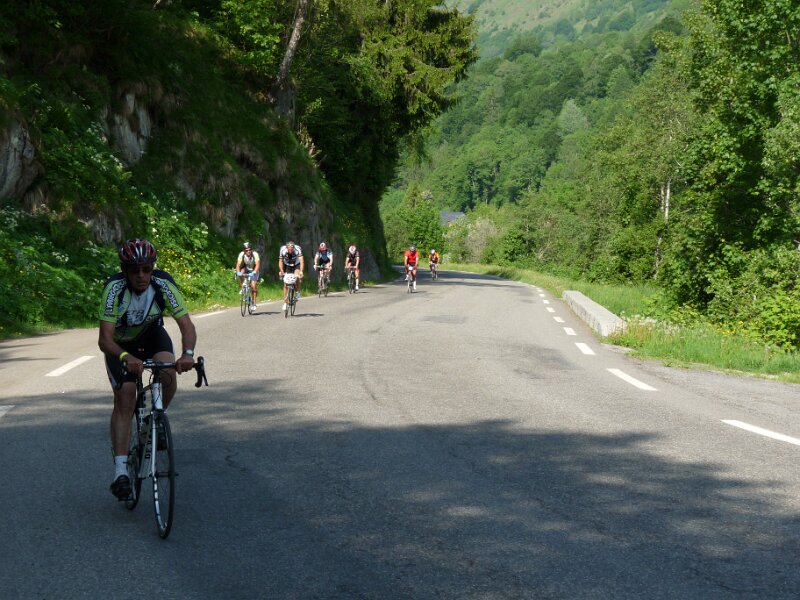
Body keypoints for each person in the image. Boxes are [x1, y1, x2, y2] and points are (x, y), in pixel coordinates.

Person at [98, 239, 197, 500]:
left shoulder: (163, 283)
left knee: (168, 372)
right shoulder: (114, 289)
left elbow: (187, 325)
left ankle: (156, 420)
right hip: (120, 345)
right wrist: (126, 356)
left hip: (151, 335)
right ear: (125, 270)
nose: (141, 275)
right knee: (126, 396)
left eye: (147, 269)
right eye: (135, 270)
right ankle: (120, 472)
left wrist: (187, 355)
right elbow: (104, 340)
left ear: (153, 268)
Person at [278, 240, 304, 311]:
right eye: (289, 249)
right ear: (286, 248)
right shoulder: (282, 250)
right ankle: (284, 303)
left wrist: (301, 271)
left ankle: (297, 291)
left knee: (297, 276)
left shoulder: (297, 250)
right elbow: (280, 261)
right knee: (285, 284)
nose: (290, 251)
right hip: (287, 265)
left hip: (296, 264)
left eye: (291, 249)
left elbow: (301, 261)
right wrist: (281, 271)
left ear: (293, 248)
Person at [235, 241, 261, 310]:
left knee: (253, 286)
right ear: (244, 251)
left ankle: (254, 303)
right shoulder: (241, 254)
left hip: (254, 270)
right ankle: (243, 288)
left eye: (249, 250)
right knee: (241, 272)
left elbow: (258, 265)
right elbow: (238, 265)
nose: (248, 251)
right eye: (246, 250)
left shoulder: (255, 254)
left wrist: (254, 272)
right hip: (246, 268)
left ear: (251, 250)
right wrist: (238, 272)